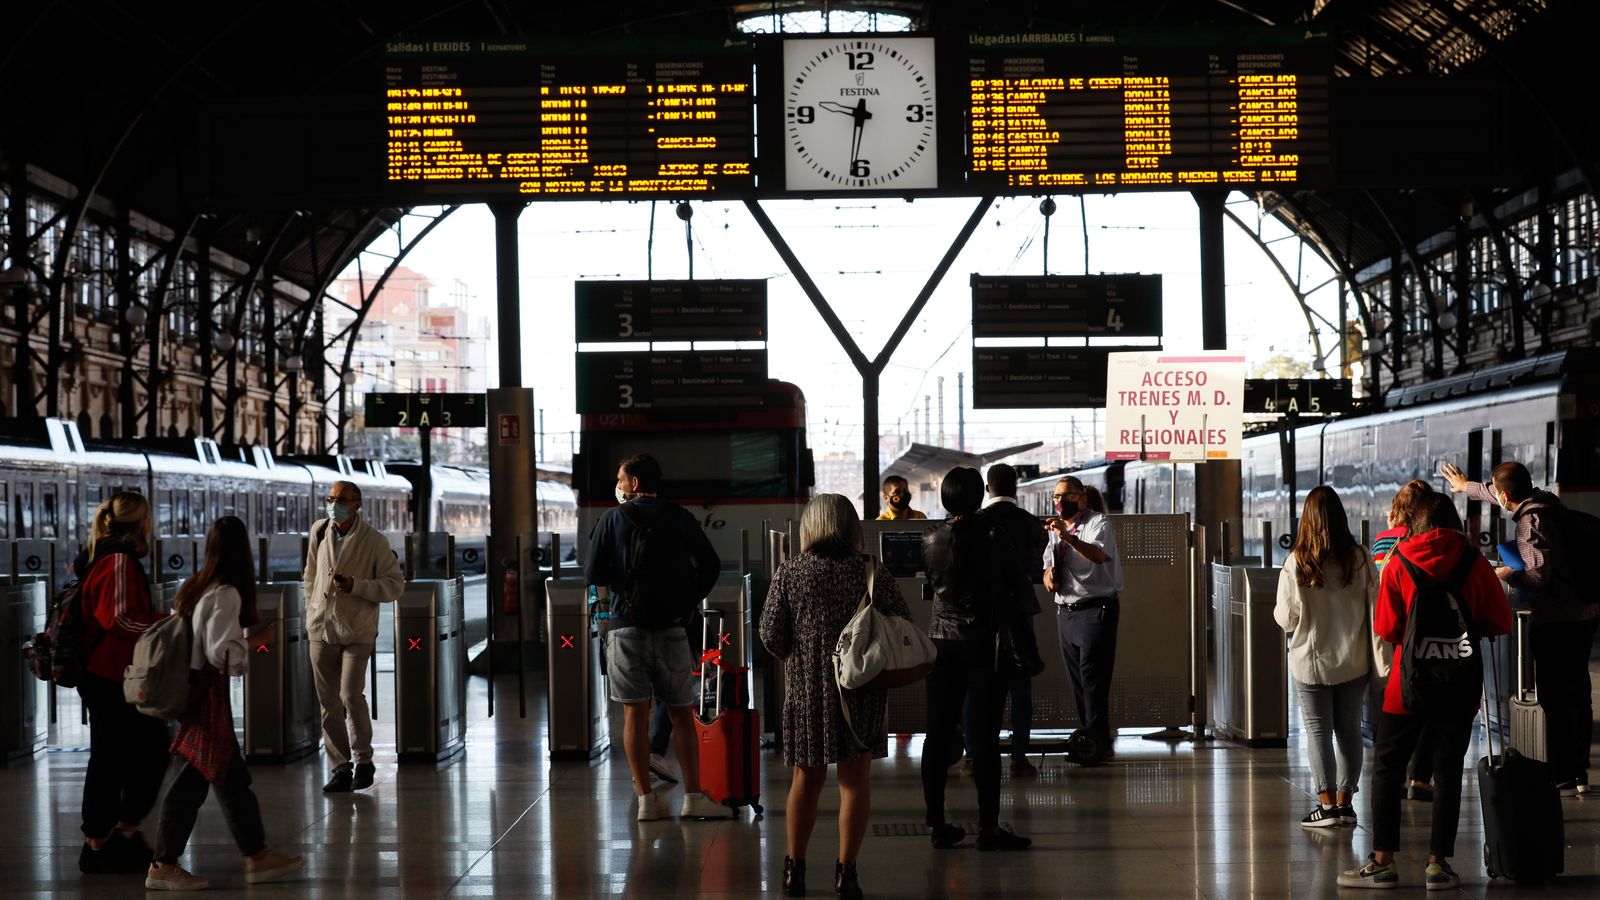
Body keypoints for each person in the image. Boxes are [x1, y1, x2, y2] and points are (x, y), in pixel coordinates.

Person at [1339, 494, 1511, 891]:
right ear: (1454, 523)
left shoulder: (1398, 561)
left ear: (1413, 523)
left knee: (1387, 768)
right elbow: (1499, 621)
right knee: (1448, 771)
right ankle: (1438, 865)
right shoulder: (1474, 562)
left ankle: (1383, 862)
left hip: (1408, 687)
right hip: (1460, 684)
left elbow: (1387, 627)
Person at [760, 493, 912, 899]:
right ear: (850, 526)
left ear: (810, 526)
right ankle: (847, 873)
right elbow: (901, 622)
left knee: (804, 780)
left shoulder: (789, 572)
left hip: (808, 690)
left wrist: (801, 653)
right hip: (859, 689)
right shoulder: (870, 570)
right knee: (855, 782)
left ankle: (795, 870)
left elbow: (770, 635)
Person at [145, 517, 304, 890]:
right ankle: (163, 864)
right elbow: (222, 654)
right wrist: (259, 640)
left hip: (193, 693)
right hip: (206, 698)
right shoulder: (226, 593)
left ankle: (258, 856)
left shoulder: (194, 587)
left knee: (232, 779)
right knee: (192, 782)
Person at [1442, 459, 1598, 796]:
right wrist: (1467, 487)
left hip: (1556, 619)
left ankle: (1563, 775)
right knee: (1578, 693)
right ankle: (1580, 771)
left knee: (1556, 697)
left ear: (1506, 494)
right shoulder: (1549, 503)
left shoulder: (1530, 521)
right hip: (1585, 613)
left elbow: (1537, 575)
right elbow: (1499, 490)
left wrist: (1506, 574)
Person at [585, 453, 728, 821]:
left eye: (620, 479)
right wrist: (688, 600)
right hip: (672, 627)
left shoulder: (612, 519)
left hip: (624, 626)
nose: (617, 485)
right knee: (682, 714)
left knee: (633, 712)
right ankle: (693, 796)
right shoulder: (680, 517)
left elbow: (592, 572)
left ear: (634, 483)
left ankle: (646, 800)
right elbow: (710, 564)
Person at [920, 467, 1036, 852]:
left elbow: (935, 584)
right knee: (984, 738)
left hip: (941, 642)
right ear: (977, 496)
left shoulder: (931, 537)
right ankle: (989, 827)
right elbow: (1016, 586)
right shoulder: (993, 535)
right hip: (985, 643)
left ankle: (937, 824)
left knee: (936, 734)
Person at [1274, 486, 1380, 829]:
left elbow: (1285, 618)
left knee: (1318, 731)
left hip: (1311, 662)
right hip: (1354, 659)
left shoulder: (1297, 562)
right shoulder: (1361, 558)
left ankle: (1327, 805)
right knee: (1349, 730)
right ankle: (1346, 804)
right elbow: (1376, 610)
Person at [75, 492, 168, 875]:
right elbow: (120, 619)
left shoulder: (111, 556)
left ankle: (118, 833)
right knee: (121, 755)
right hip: (108, 675)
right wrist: (167, 626)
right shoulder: (118, 560)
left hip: (114, 674)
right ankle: (101, 840)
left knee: (129, 753)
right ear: (142, 522)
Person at [303, 480, 405, 793]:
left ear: (357, 504)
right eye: (330, 498)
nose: (334, 504)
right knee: (328, 702)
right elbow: (310, 574)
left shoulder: (374, 541)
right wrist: (312, 607)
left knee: (350, 694)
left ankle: (363, 759)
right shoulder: (319, 531)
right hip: (322, 628)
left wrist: (356, 586)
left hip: (358, 630)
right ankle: (339, 767)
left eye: (342, 499)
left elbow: (394, 584)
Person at [967, 463, 1047, 777]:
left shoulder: (976, 523)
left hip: (982, 617)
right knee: (1020, 686)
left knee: (976, 687)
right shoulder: (1030, 523)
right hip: (1018, 615)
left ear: (989, 489)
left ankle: (973, 754)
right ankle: (1019, 757)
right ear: (1016, 487)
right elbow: (1036, 567)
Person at [1042, 476, 1124, 766]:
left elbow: (1098, 556)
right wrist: (1048, 576)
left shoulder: (1098, 524)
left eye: (1066, 496)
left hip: (1095, 611)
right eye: (1055, 497)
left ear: (1082, 499)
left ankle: (1098, 745)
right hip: (1066, 613)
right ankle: (1092, 740)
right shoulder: (1055, 529)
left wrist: (1068, 537)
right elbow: (1047, 566)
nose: (1059, 502)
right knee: (1078, 682)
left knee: (1093, 680)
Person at [1372, 479, 1437, 803]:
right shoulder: (1435, 543)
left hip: (1397, 638)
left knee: (1398, 706)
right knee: (1431, 711)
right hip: (1435, 638)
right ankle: (1421, 778)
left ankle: (1397, 777)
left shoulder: (1382, 542)